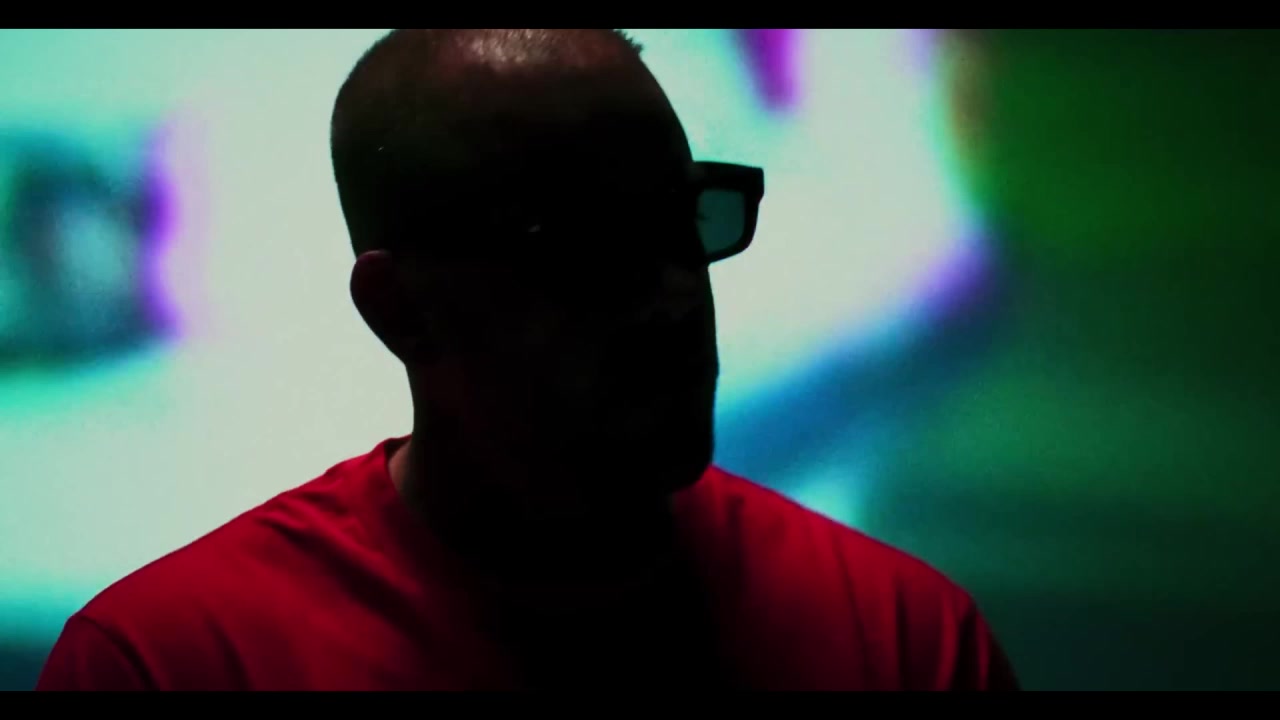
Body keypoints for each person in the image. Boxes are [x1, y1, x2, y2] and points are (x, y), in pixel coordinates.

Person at [35, 28, 1019, 691]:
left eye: (683, 220)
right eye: (582, 248)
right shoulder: (173, 657)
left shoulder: (898, 634)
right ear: (396, 311)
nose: (677, 294)